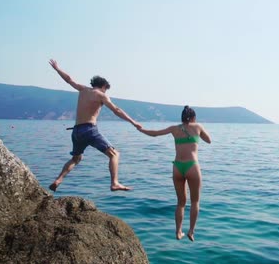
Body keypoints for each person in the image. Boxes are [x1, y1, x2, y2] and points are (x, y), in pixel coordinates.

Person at [48, 59, 142, 192]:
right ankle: (114, 183)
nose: (106, 92)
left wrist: (57, 69)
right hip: (89, 130)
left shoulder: (83, 89)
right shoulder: (101, 96)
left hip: (76, 131)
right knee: (114, 154)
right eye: (106, 89)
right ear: (103, 86)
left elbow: (69, 79)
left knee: (76, 158)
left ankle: (58, 180)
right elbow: (117, 110)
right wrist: (133, 122)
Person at [138, 106, 211, 241]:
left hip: (177, 167)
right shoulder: (198, 126)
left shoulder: (174, 129)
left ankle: (178, 232)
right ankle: (191, 231)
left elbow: (154, 133)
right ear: (194, 117)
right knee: (195, 201)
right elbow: (209, 140)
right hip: (192, 166)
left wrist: (141, 129)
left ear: (182, 117)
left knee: (180, 202)